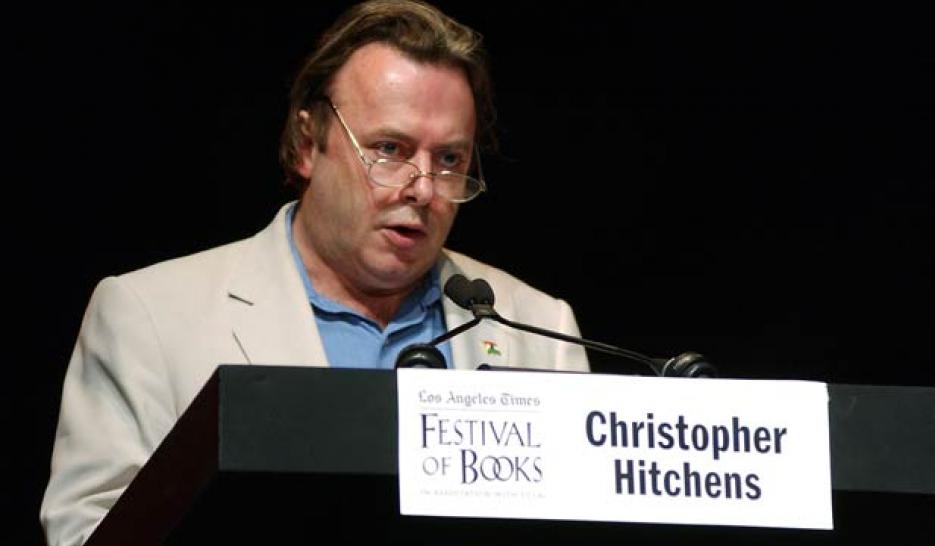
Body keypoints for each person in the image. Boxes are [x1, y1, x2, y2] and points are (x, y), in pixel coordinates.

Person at [40, 1, 589, 544]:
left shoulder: (540, 331)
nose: (423, 188)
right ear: (307, 144)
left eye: (449, 159)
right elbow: (88, 532)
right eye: (390, 149)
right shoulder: (151, 317)